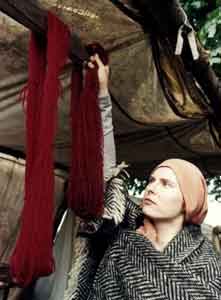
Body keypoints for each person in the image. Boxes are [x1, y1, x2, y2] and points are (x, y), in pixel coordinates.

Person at [64, 54, 221, 300]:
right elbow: (106, 167)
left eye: (166, 184)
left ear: (188, 201)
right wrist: (102, 91)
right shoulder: (122, 233)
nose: (151, 188)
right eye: (151, 180)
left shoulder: (207, 263)